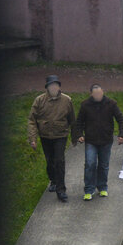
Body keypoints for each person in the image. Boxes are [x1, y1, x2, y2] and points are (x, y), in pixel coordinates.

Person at [73, 85, 123, 201]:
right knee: (90, 164)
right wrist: (79, 135)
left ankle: (102, 187)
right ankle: (88, 189)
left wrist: (121, 134)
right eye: (96, 94)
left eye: (100, 93)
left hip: (106, 140)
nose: (98, 96)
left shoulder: (111, 104)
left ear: (103, 92)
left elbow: (120, 119)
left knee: (104, 165)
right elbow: (79, 122)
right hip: (91, 140)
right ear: (91, 94)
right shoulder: (85, 105)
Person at [27, 75, 75, 203]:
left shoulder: (67, 100)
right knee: (50, 161)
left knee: (59, 161)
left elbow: (72, 119)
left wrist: (76, 136)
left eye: (56, 85)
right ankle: (53, 180)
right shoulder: (39, 100)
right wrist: (33, 138)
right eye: (51, 85)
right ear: (47, 88)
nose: (54, 87)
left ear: (59, 86)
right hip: (45, 136)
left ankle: (61, 190)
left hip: (61, 135)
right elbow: (32, 120)